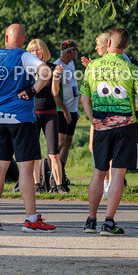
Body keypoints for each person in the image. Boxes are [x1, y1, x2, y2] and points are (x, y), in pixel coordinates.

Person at [0, 24, 56, 232]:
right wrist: (33, 90)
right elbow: (45, 71)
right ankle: (31, 218)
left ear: (5, 36)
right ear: (23, 39)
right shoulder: (24, 57)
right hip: (22, 118)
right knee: (25, 167)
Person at [81, 27, 138, 236]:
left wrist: (93, 119)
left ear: (108, 43)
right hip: (126, 124)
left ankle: (90, 221)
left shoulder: (92, 66)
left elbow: (84, 98)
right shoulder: (131, 68)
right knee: (118, 173)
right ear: (125, 46)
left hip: (101, 123)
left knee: (98, 172)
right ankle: (108, 222)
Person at [26, 39, 66, 194]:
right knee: (34, 153)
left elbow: (55, 93)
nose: (35, 53)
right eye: (31, 51)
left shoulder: (53, 68)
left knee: (53, 153)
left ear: (44, 51)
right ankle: (37, 185)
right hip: (31, 114)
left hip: (49, 113)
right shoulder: (26, 69)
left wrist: (55, 76)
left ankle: (59, 185)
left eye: (38, 50)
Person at [54, 39, 80, 187]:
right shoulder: (58, 66)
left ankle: (61, 172)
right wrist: (64, 110)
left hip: (73, 109)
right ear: (69, 51)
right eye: (76, 50)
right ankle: (49, 170)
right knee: (59, 142)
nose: (77, 52)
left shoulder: (72, 63)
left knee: (68, 142)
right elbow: (55, 93)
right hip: (62, 110)